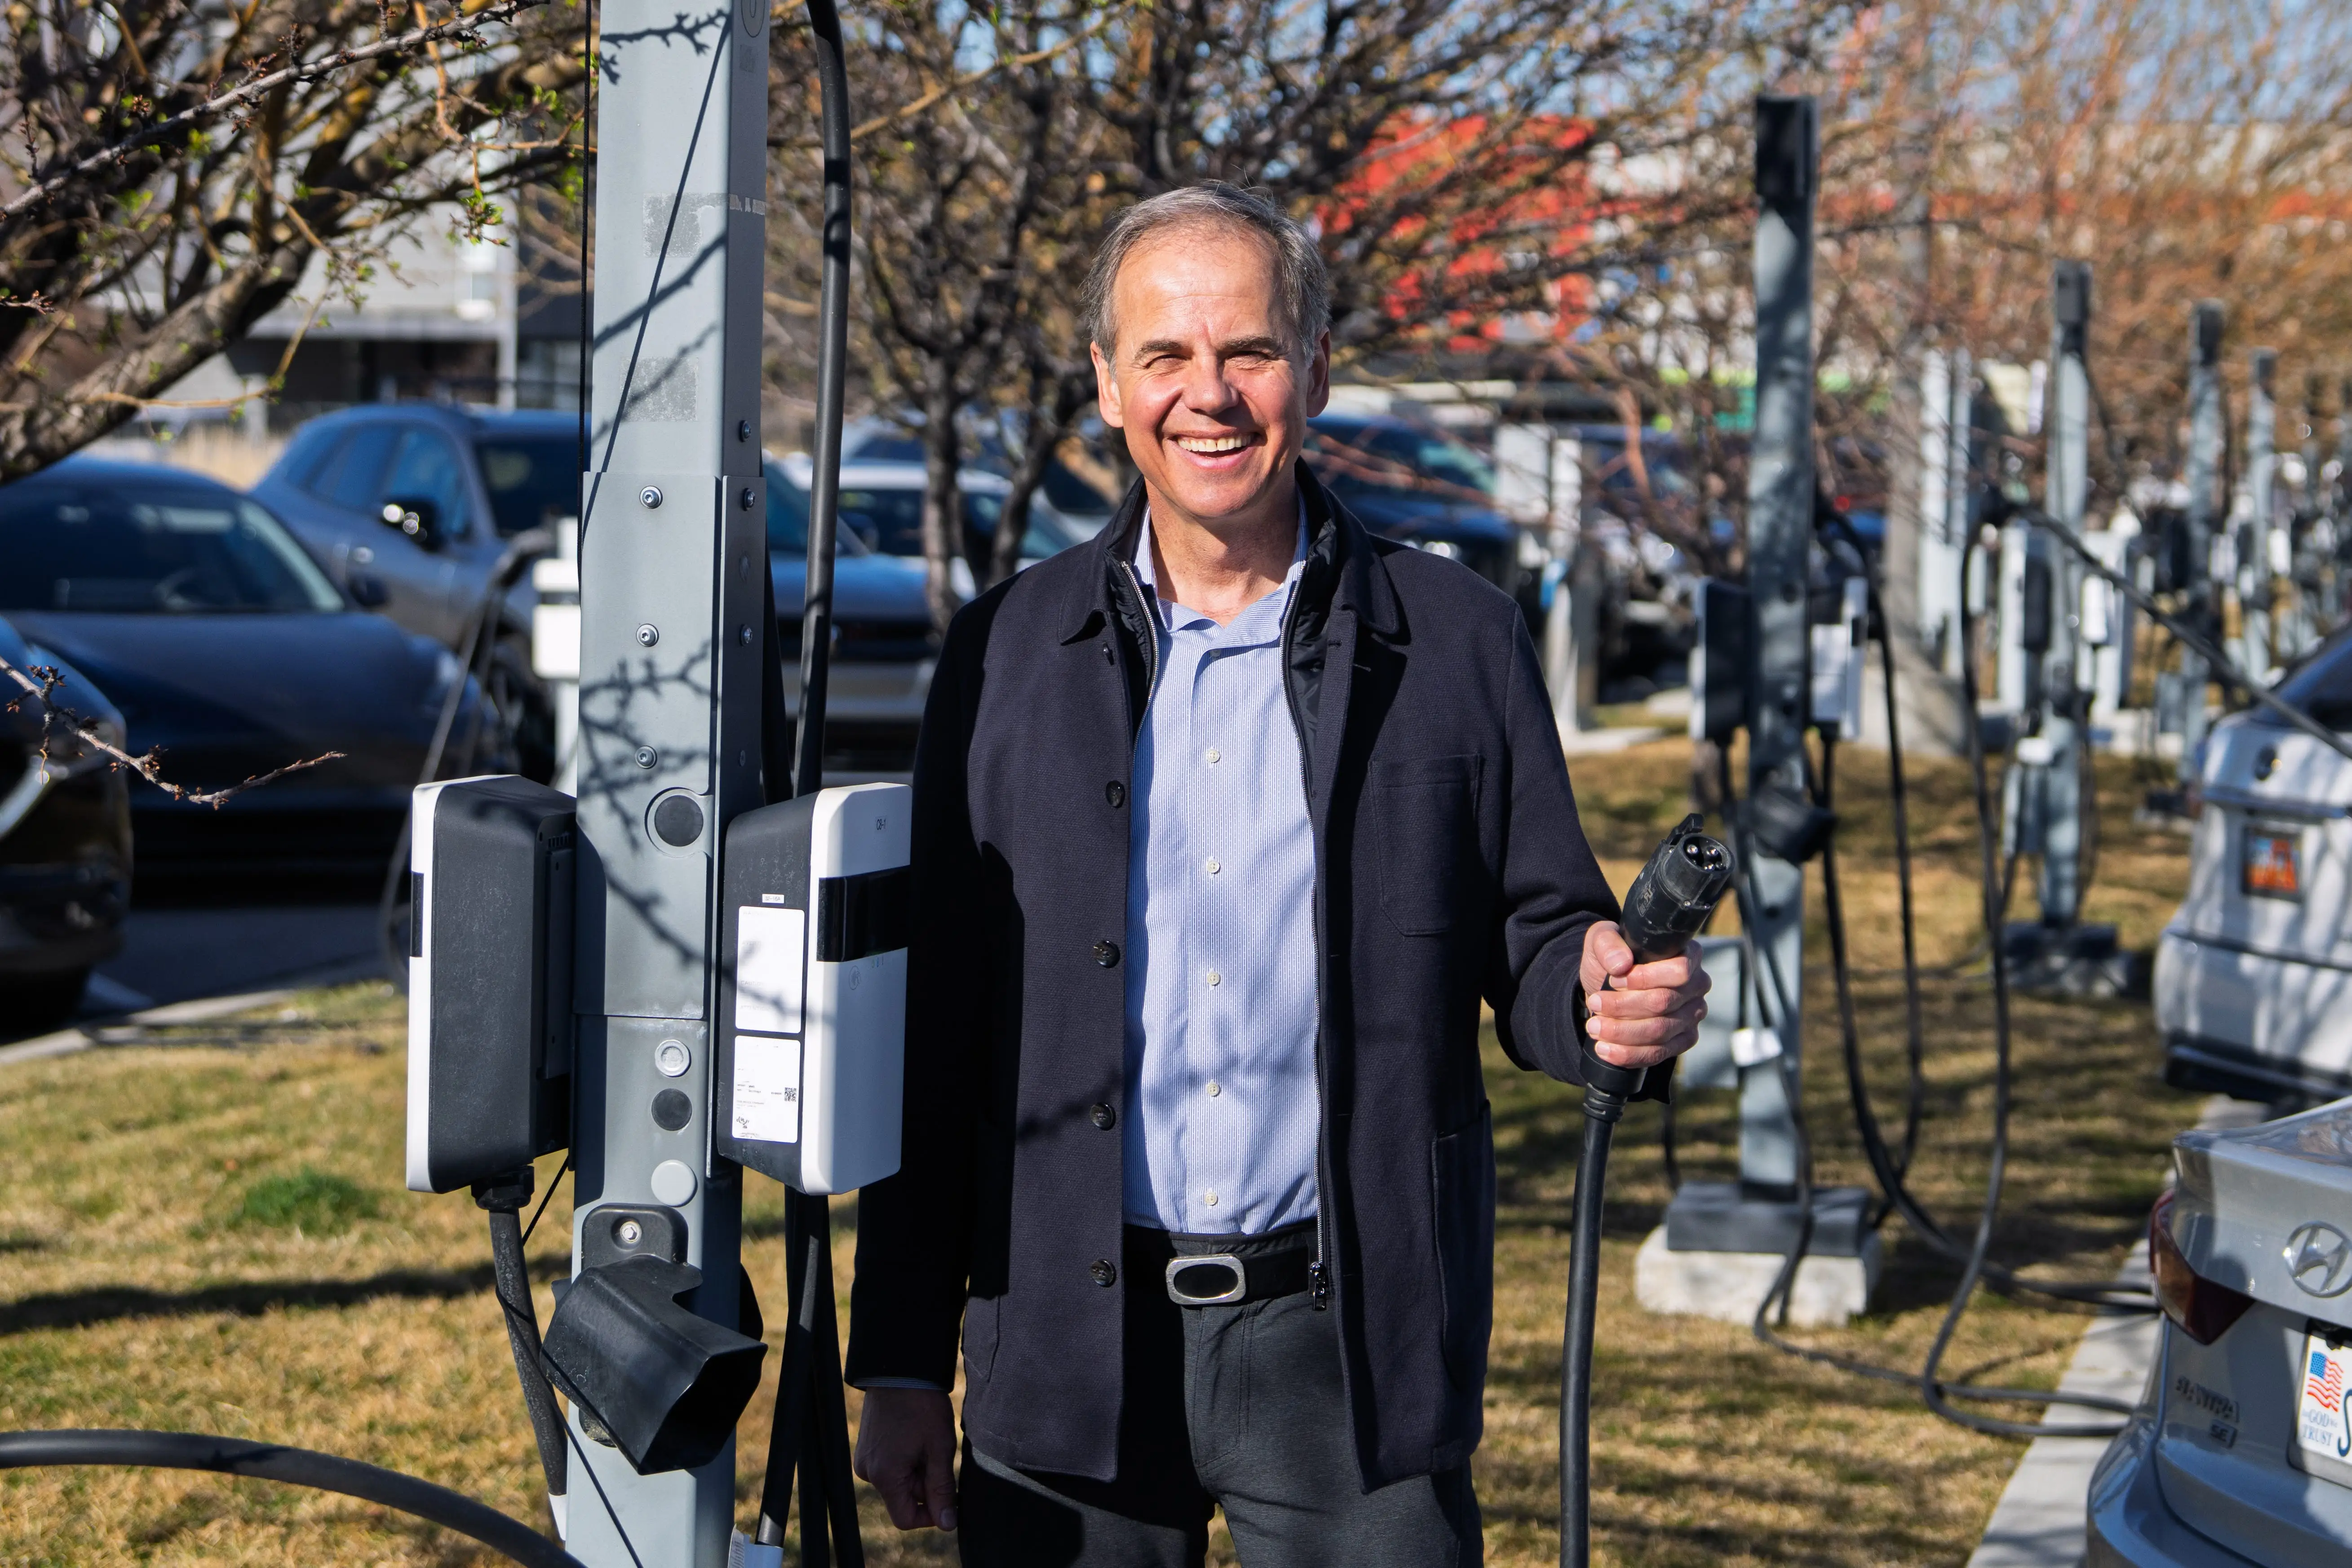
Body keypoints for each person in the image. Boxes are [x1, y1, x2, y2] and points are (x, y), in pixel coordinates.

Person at [846, 182, 1710, 1567]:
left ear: (1310, 369)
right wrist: (897, 1355)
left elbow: (1543, 935)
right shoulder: (1004, 652)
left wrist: (1604, 1004)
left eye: (1247, 351)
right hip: (1070, 1349)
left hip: (1349, 1347)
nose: (1212, 396)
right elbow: (940, 1028)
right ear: (1108, 384)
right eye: (1166, 357)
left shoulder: (1457, 640)